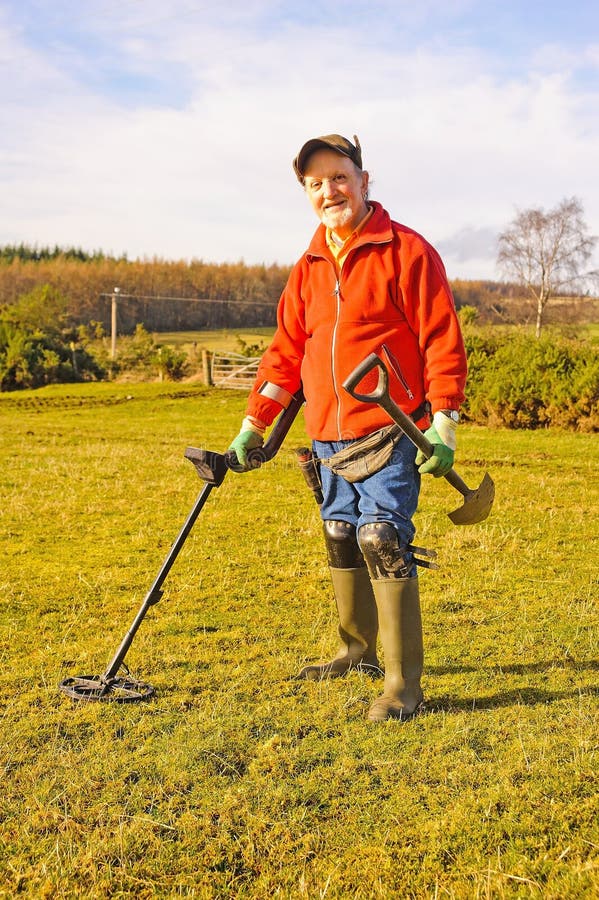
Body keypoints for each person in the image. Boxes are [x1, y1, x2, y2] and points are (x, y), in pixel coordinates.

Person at [229, 133, 467, 722]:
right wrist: (253, 421)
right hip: (326, 434)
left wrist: (444, 424)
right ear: (306, 193)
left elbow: (442, 339)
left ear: (364, 180)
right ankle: (355, 650)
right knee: (340, 532)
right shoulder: (308, 266)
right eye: (315, 183)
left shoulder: (407, 251)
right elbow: (286, 352)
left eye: (339, 177)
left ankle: (402, 685)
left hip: (391, 429)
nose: (329, 191)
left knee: (381, 538)